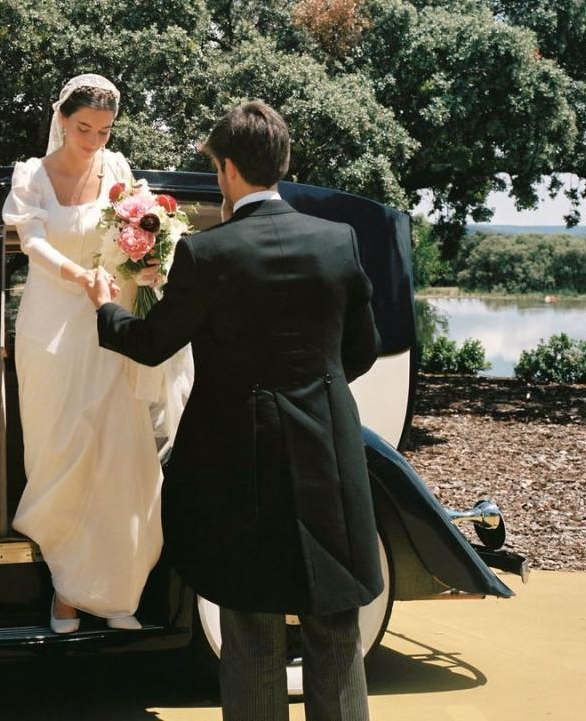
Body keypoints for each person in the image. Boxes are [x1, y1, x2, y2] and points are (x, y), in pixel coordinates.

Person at [87, 100, 383, 720]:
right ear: (284, 162)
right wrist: (315, 390)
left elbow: (149, 344)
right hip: (327, 456)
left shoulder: (207, 254)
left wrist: (106, 306)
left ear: (225, 171)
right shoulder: (338, 242)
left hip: (241, 466)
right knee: (335, 625)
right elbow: (362, 350)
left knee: (250, 626)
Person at [1, 73, 190, 634]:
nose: (94, 139)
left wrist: (148, 264)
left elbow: (136, 227)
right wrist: (79, 274)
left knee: (119, 458)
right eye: (84, 127)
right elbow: (30, 241)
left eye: (105, 130)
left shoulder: (119, 168)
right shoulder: (32, 175)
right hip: (53, 324)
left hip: (111, 319)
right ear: (62, 118)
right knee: (62, 454)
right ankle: (65, 594)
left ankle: (114, 594)